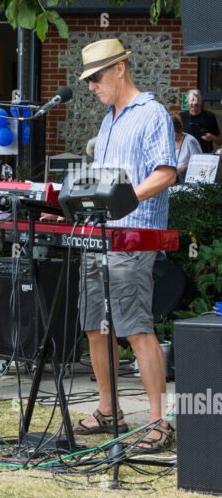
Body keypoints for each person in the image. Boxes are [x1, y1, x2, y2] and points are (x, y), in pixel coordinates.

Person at [74, 39, 177, 453]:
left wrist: (124, 201)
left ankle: (159, 421)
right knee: (94, 327)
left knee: (135, 328)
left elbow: (166, 172)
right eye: (87, 81)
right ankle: (108, 410)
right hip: (99, 236)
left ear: (119, 68)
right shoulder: (108, 120)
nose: (92, 86)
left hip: (134, 236)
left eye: (96, 77)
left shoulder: (151, 113)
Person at [180, 89, 221, 154]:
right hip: (186, 155)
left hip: (205, 155)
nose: (195, 103)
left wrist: (212, 138)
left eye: (198, 100)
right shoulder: (181, 117)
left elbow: (219, 141)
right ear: (187, 101)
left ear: (201, 101)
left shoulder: (210, 116)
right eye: (192, 100)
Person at [171, 113, 202, 183]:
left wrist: (184, 168)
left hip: (188, 181)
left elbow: (199, 163)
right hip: (173, 180)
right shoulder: (169, 142)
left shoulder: (190, 141)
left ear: (176, 129)